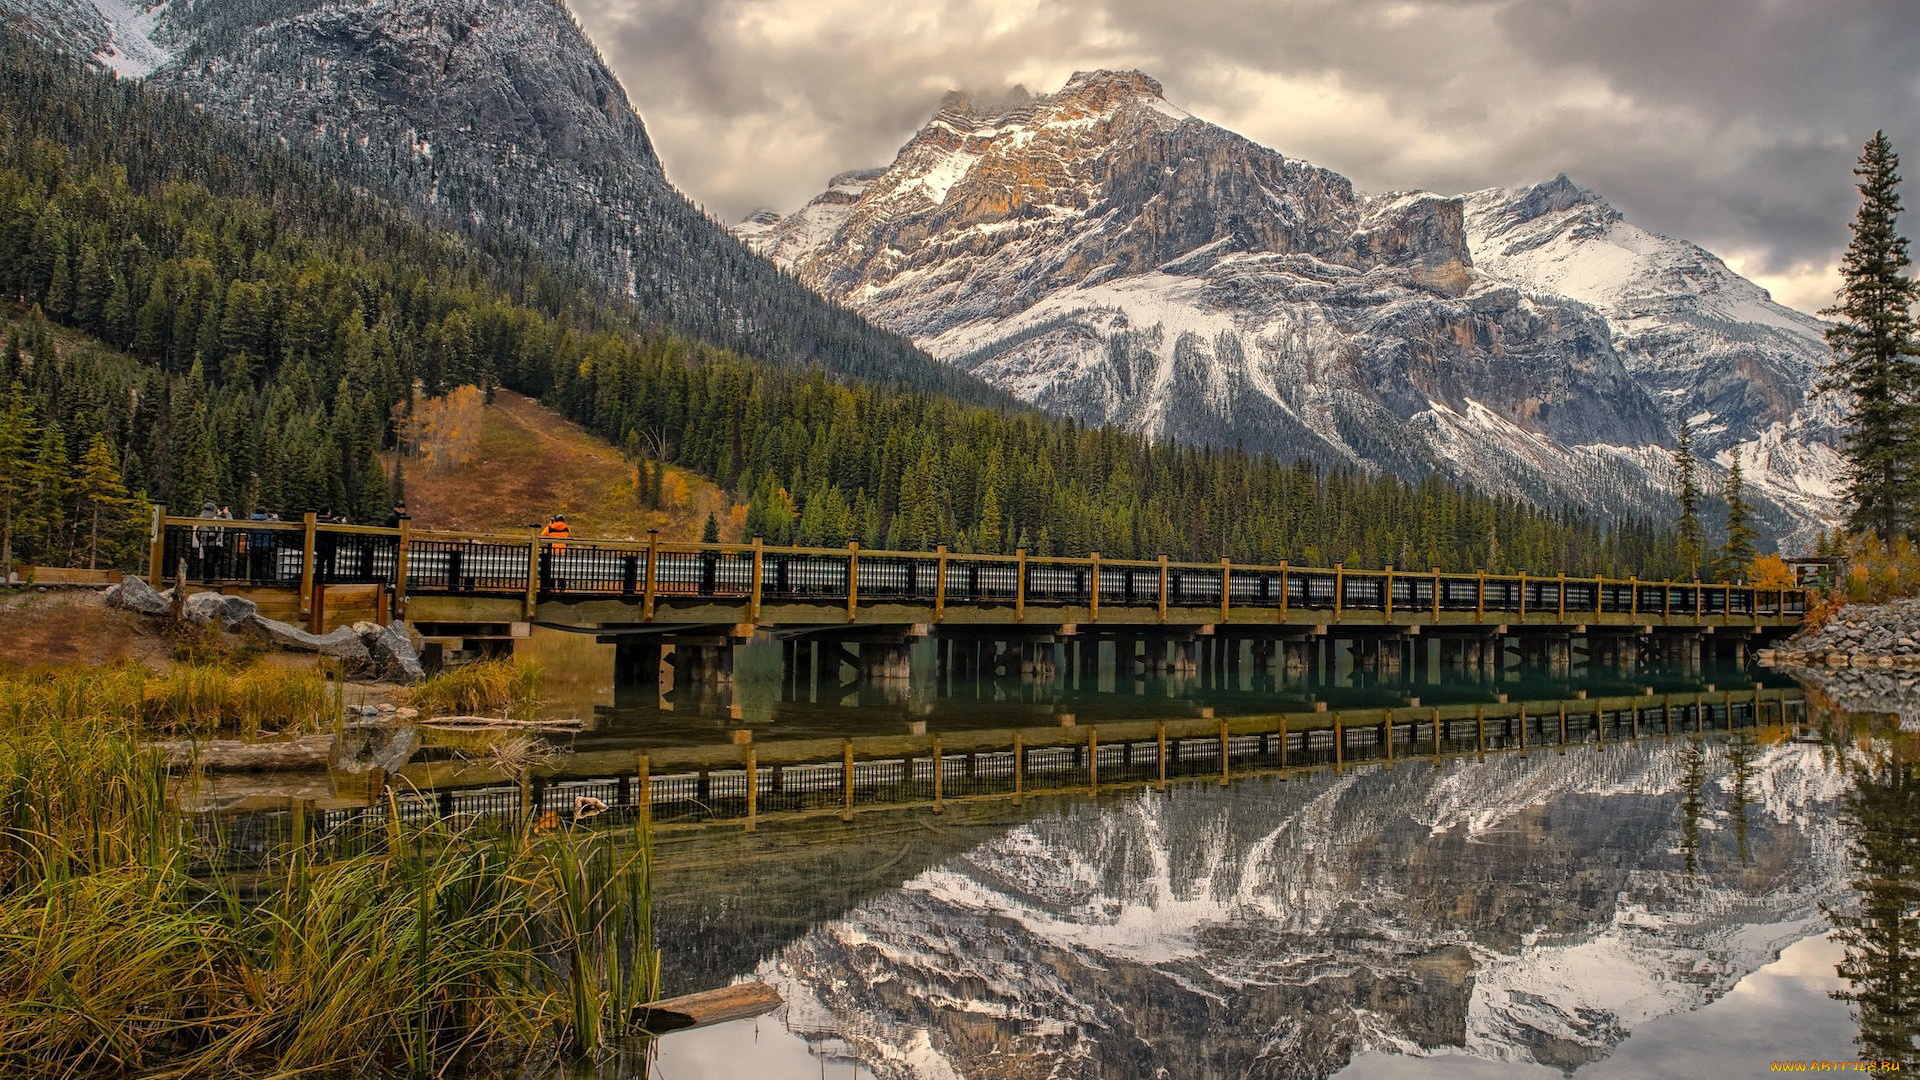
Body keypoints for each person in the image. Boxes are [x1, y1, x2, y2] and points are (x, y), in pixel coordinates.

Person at [539, 513, 571, 592]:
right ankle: (561, 587)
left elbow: (543, 535)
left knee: (552, 570)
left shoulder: (550, 528)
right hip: (562, 551)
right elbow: (568, 534)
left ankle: (552, 587)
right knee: (561, 570)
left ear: (555, 520)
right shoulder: (567, 529)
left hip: (552, 551)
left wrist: (550, 524)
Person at [248, 508, 277, 584]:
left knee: (254, 564)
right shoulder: (269, 521)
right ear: (265, 513)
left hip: (254, 545)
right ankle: (264, 581)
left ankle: (253, 581)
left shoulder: (251, 521)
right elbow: (279, 525)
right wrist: (275, 518)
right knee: (265, 564)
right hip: (265, 546)